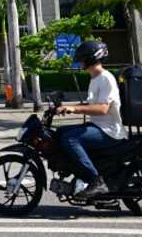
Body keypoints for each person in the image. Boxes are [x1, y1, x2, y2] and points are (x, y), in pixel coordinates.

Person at [55, 41, 127, 200]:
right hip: (98, 126)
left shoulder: (105, 78)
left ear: (90, 59)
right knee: (60, 132)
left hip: (109, 131)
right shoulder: (95, 78)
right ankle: (78, 173)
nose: (80, 62)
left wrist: (75, 109)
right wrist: (67, 107)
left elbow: (102, 109)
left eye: (81, 59)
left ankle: (95, 180)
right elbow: (90, 105)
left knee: (71, 138)